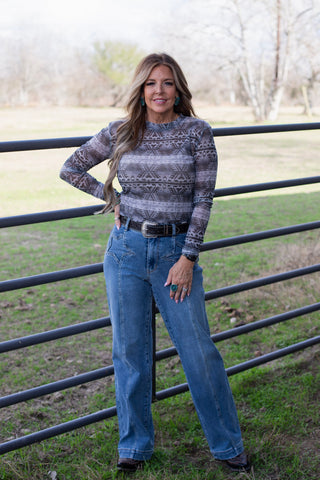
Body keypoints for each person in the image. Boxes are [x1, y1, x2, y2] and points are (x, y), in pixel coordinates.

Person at [60, 53, 250, 474]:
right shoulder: (122, 131)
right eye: (150, 83)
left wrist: (187, 257)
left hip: (174, 254)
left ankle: (226, 444)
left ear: (178, 89)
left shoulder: (196, 132)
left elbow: (203, 200)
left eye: (166, 83)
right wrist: (113, 198)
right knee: (129, 352)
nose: (159, 91)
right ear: (140, 90)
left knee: (198, 352)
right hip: (124, 250)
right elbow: (71, 168)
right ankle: (134, 445)